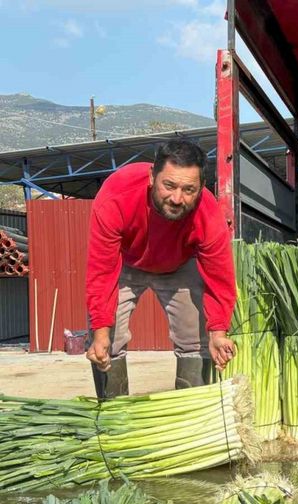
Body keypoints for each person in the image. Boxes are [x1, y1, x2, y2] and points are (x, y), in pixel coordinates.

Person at [85, 140, 237, 399]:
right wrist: (100, 332)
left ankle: (190, 414)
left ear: (201, 187)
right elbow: (101, 272)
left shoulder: (208, 213)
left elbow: (219, 278)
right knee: (107, 339)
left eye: (189, 190)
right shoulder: (116, 195)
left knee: (196, 339)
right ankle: (113, 415)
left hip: (179, 265)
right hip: (127, 262)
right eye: (169, 185)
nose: (177, 198)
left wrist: (218, 333)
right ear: (152, 177)